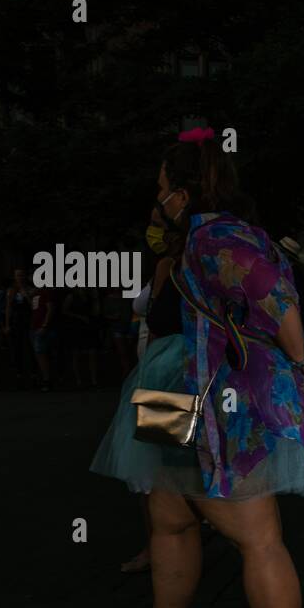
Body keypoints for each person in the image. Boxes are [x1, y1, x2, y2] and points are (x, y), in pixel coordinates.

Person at [96, 128, 304, 608]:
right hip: (172, 385)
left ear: (182, 192)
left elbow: (273, 291)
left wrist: (300, 358)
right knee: (167, 515)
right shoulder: (190, 241)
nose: (156, 201)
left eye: (161, 189)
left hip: (212, 393)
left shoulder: (219, 234)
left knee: (257, 537)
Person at [92, 204, 191, 574]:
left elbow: (161, 323)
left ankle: (169, 548)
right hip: (158, 372)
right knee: (156, 473)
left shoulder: (173, 267)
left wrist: (146, 381)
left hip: (164, 375)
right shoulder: (164, 267)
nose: (149, 231)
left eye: (154, 223)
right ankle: (162, 546)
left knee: (159, 472)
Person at [62, 283, 101, 388]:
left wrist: (96, 299)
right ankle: (78, 380)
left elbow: (96, 312)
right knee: (76, 353)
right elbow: (64, 310)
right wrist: (79, 317)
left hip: (89, 327)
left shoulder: (90, 296)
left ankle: (94, 380)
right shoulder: (72, 296)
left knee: (92, 353)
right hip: (76, 327)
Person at [3, 268, 34, 384]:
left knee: (29, 347)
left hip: (28, 321)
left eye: (21, 275)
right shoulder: (11, 291)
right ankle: (19, 374)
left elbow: (33, 306)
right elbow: (8, 308)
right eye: (17, 275)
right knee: (16, 348)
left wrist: (26, 295)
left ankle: (33, 374)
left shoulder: (30, 289)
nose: (19, 278)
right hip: (16, 322)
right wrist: (7, 324)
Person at [29, 279, 57, 391]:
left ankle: (47, 380)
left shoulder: (46, 293)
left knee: (42, 354)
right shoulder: (35, 294)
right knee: (39, 355)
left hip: (42, 328)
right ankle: (44, 379)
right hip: (34, 328)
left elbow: (50, 309)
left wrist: (44, 325)